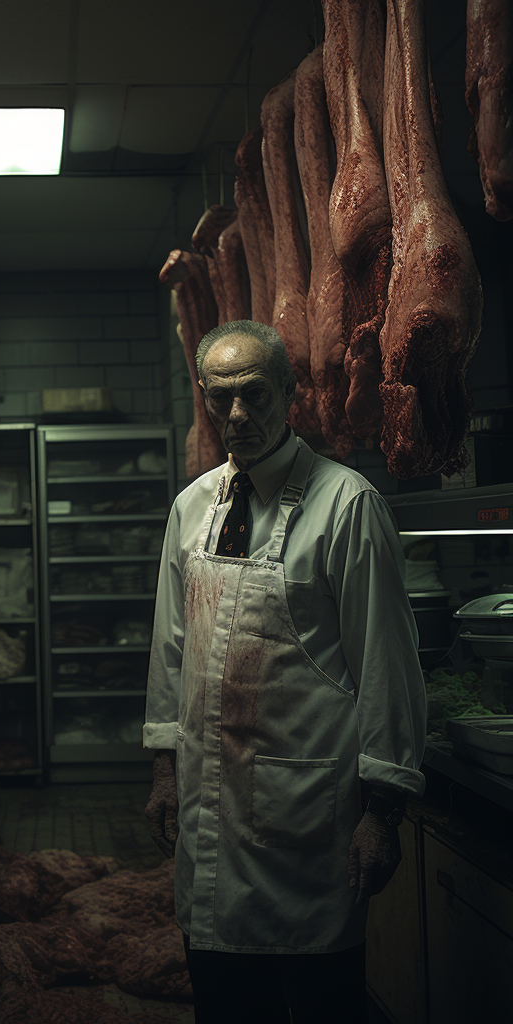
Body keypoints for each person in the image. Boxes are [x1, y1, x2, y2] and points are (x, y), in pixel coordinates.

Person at [143, 320, 426, 1024]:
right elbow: (171, 649)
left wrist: (383, 811)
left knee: (317, 1004)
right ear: (204, 400)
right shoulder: (192, 507)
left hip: (307, 823)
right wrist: (161, 769)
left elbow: (386, 664)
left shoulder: (347, 504)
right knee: (225, 1003)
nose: (238, 415)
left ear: (291, 394)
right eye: (221, 398)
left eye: (256, 395)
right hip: (211, 812)